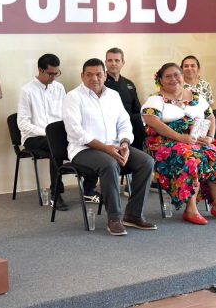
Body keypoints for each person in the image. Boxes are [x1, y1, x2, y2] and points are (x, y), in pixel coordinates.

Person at [63, 58, 156, 236]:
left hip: (114, 146)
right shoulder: (73, 97)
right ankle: (114, 218)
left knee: (146, 161)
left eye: (98, 74)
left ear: (105, 75)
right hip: (83, 150)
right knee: (109, 163)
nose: (94, 78)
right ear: (82, 76)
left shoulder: (113, 95)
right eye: (89, 74)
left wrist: (124, 143)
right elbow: (75, 131)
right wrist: (105, 149)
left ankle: (133, 215)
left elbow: (124, 123)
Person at [141, 63, 216, 225]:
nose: (173, 79)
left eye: (176, 75)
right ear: (160, 80)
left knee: (214, 154)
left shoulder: (196, 96)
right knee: (190, 156)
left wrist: (210, 137)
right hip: (166, 143)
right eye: (168, 76)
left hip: (195, 141)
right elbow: (152, 121)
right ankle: (191, 209)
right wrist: (180, 137)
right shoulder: (155, 99)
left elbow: (211, 117)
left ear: (182, 76)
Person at [17, 54, 99, 210]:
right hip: (34, 137)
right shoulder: (27, 91)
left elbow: (65, 115)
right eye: (50, 74)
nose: (54, 77)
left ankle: (89, 189)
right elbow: (23, 124)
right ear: (40, 70)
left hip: (59, 134)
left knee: (87, 141)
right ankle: (56, 193)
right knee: (56, 145)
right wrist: (48, 133)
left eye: (57, 73)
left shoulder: (59, 88)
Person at [105, 48, 145, 150]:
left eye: (117, 60)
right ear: (105, 63)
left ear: (123, 63)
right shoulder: (100, 83)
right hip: (110, 124)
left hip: (130, 124)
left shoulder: (129, 84)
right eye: (110, 60)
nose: (113, 63)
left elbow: (137, 109)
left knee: (139, 119)